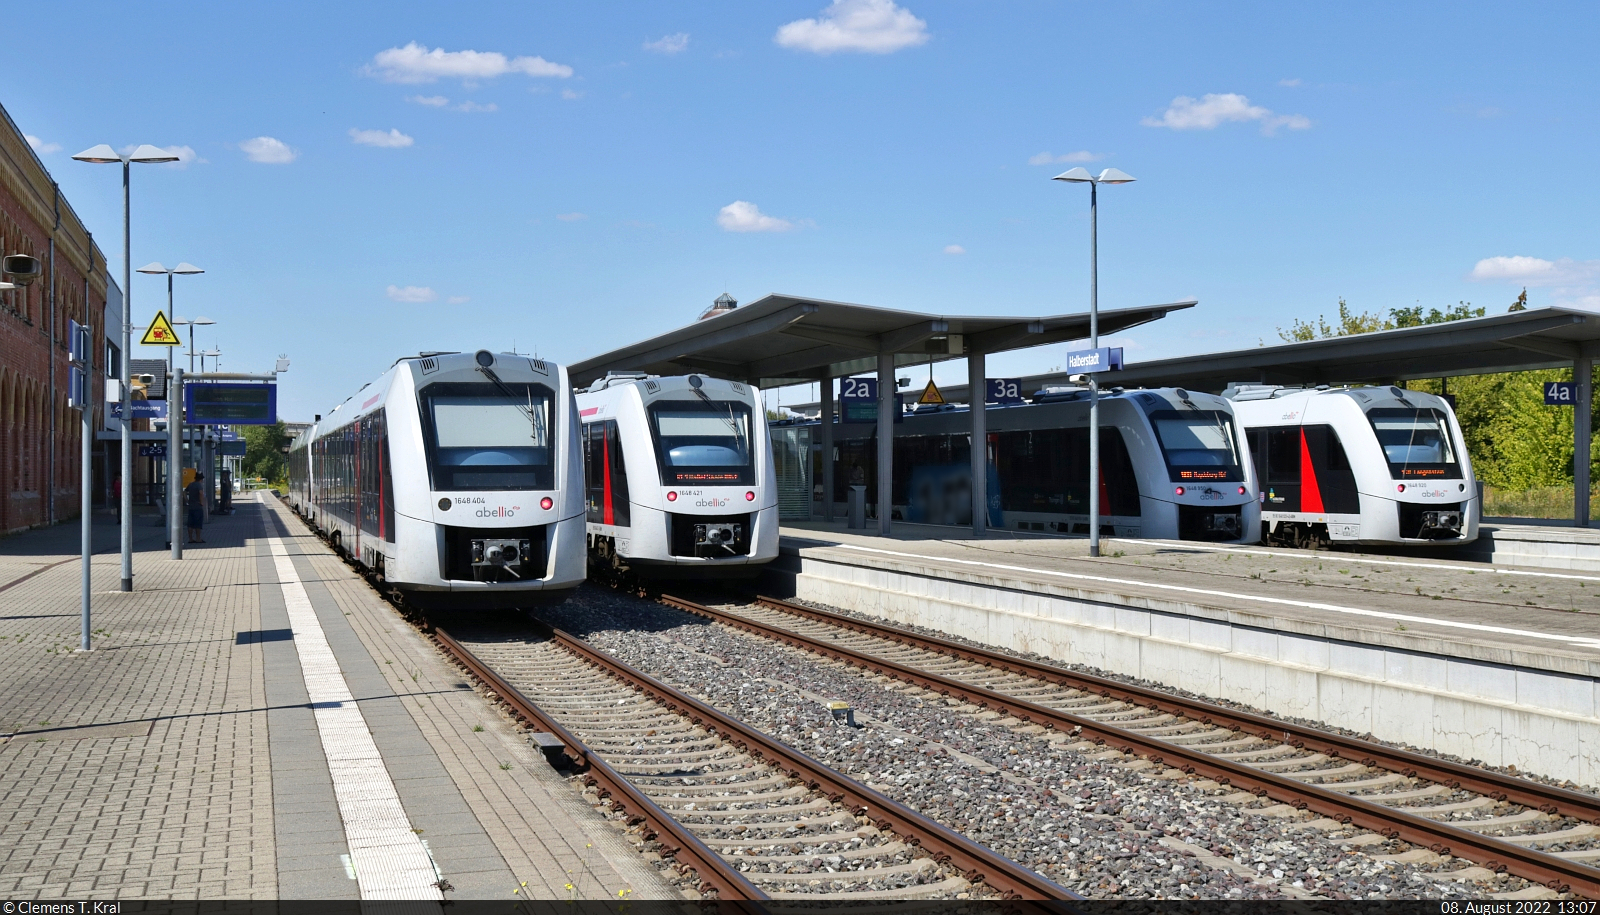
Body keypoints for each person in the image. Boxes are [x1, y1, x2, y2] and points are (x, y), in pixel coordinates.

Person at [185, 472, 206, 543]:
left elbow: (184, 492)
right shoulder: (199, 485)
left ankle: (190, 539)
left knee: (190, 524)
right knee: (198, 523)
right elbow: (201, 493)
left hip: (191, 506)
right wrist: (201, 502)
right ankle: (198, 538)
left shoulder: (191, 484)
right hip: (198, 506)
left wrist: (187, 500)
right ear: (201, 479)